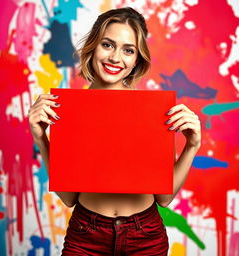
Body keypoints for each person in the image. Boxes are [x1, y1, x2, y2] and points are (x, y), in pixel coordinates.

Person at [28, 7, 201, 256]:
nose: (115, 58)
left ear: (136, 60)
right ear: (93, 46)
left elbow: (163, 198)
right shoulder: (68, 111)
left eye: (128, 50)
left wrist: (192, 145)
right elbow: (68, 197)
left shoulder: (152, 113)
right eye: (108, 45)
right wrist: (40, 137)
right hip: (86, 235)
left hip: (146, 237)